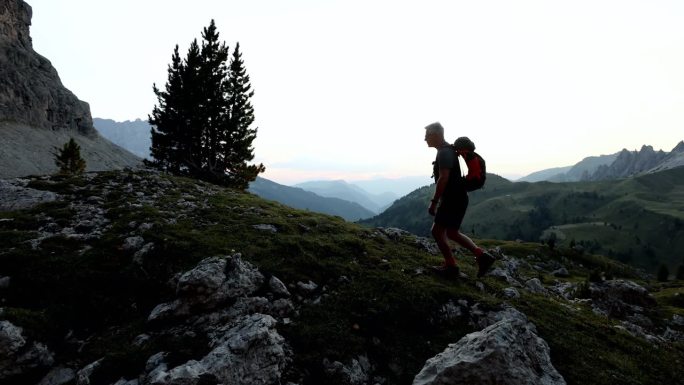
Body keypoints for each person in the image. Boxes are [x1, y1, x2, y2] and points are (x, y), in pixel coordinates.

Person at [424, 122, 495, 278]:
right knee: (451, 232)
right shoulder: (448, 151)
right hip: (458, 197)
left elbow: (444, 178)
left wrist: (434, 201)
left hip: (453, 199)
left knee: (437, 231)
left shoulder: (444, 153)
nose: (425, 139)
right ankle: (482, 257)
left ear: (436, 134)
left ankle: (451, 266)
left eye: (427, 135)